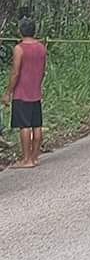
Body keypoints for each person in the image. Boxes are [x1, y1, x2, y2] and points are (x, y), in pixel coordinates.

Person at [3, 17, 47, 168]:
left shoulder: (19, 48)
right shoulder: (41, 47)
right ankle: (35, 157)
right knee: (37, 125)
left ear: (20, 31)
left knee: (24, 126)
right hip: (35, 91)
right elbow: (43, 70)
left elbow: (15, 72)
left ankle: (26, 159)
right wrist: (38, 84)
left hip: (22, 93)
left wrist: (9, 91)